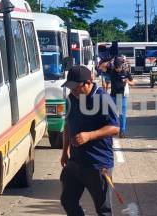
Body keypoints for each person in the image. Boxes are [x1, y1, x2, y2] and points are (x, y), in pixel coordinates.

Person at [60, 65, 119, 216]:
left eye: (75, 87)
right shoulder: (71, 99)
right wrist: (64, 151)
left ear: (87, 83)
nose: (72, 91)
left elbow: (114, 128)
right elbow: (68, 124)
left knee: (103, 209)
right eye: (70, 87)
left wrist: (89, 135)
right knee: (68, 201)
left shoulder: (103, 99)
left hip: (97, 164)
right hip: (76, 162)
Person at [99, 56, 134, 138]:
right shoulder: (111, 71)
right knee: (109, 114)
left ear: (121, 65)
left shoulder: (126, 72)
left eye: (118, 67)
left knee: (122, 115)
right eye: (116, 67)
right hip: (113, 96)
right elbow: (101, 67)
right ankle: (111, 129)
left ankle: (122, 132)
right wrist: (109, 61)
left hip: (122, 97)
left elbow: (133, 82)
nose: (117, 69)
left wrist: (127, 81)